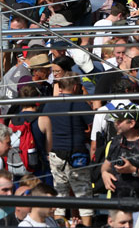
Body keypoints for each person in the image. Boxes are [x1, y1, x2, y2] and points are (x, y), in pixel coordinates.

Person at [42, 76, 93, 226]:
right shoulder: (79, 103)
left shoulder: (49, 104)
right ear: (76, 87)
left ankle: (59, 225)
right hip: (77, 155)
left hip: (55, 154)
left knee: (60, 196)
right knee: (83, 196)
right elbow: (93, 126)